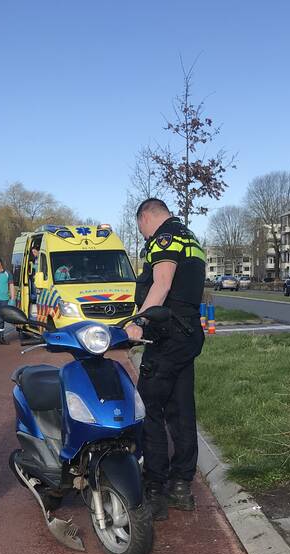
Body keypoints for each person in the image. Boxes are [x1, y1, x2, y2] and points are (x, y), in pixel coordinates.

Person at [125, 199, 207, 521]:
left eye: (141, 228)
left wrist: (139, 322)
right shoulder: (190, 238)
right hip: (187, 334)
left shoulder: (165, 238)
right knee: (181, 409)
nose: (143, 235)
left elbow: (161, 283)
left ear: (146, 217)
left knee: (149, 408)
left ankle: (155, 487)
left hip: (168, 334)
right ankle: (181, 485)